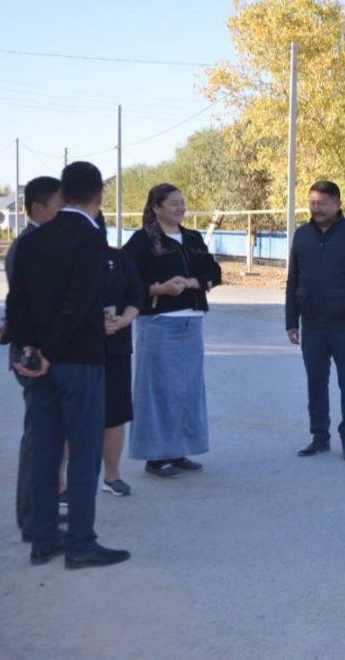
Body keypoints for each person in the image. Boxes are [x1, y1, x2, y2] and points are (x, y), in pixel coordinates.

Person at [6, 161, 130, 569]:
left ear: (62, 192)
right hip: (78, 361)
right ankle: (80, 543)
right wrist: (51, 351)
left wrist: (29, 350)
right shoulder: (91, 238)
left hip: (36, 363)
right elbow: (80, 302)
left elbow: (17, 302)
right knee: (83, 452)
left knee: (46, 451)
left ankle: (43, 539)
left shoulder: (33, 239)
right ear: (99, 195)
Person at [123, 183, 221, 478]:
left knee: (187, 391)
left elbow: (214, 272)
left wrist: (193, 283)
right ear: (156, 207)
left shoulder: (192, 238)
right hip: (159, 324)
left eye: (182, 202)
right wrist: (159, 289)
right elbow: (126, 282)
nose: (181, 208)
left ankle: (179, 451)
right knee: (157, 391)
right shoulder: (142, 241)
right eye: (174, 203)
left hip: (192, 322)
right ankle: (155, 457)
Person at [0, 176, 62, 540]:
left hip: (33, 349)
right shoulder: (30, 245)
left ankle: (39, 514)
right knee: (39, 438)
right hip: (32, 356)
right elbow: (28, 305)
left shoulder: (39, 242)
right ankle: (32, 519)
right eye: (59, 206)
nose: (64, 213)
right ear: (38, 208)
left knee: (46, 437)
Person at [286, 181, 345, 461]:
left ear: (337, 204)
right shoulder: (302, 235)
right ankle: (319, 437)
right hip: (312, 323)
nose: (316, 208)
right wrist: (291, 320)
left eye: (322, 203)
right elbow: (293, 280)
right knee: (315, 383)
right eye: (312, 203)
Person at [96, 212, 145, 496]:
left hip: (115, 347)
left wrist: (126, 319)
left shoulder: (119, 259)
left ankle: (112, 476)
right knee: (69, 416)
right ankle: (61, 483)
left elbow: (137, 295)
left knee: (115, 414)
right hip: (75, 348)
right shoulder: (66, 259)